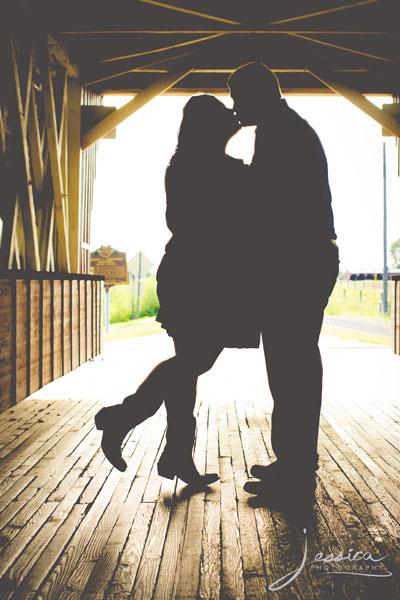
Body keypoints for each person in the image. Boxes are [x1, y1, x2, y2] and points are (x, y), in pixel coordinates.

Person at [95, 95, 259, 486]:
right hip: (202, 279)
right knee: (194, 363)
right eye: (223, 115)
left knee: (187, 368)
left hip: (187, 274)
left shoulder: (185, 163)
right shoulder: (215, 168)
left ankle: (177, 457)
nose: (233, 117)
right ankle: (122, 418)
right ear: (209, 127)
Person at [228, 62, 340, 511]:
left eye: (238, 97)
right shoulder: (286, 128)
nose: (235, 107)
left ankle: (296, 473)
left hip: (296, 264)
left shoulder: (278, 134)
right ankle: (292, 462)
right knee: (292, 367)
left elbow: (264, 202)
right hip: (305, 260)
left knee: (291, 369)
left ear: (258, 94)